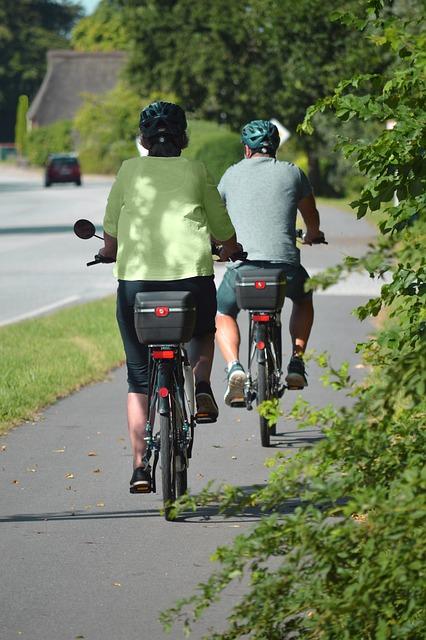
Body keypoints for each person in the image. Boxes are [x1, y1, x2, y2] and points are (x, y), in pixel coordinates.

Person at [99, 101, 241, 493]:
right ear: (184, 138)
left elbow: (110, 227)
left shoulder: (129, 170)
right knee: (202, 332)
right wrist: (229, 248)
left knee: (138, 376)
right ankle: (201, 387)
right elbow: (221, 226)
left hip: (136, 287)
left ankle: (141, 466)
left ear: (144, 140)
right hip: (190, 281)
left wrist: (109, 250)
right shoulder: (196, 170)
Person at [215, 119, 325, 406]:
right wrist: (313, 234)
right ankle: (297, 361)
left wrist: (218, 246)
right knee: (303, 299)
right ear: (275, 147)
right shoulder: (293, 174)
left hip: (242, 269)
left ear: (247, 149)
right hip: (284, 268)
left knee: (223, 310)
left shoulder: (230, 175)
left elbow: (216, 217)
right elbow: (310, 214)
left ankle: (234, 368)